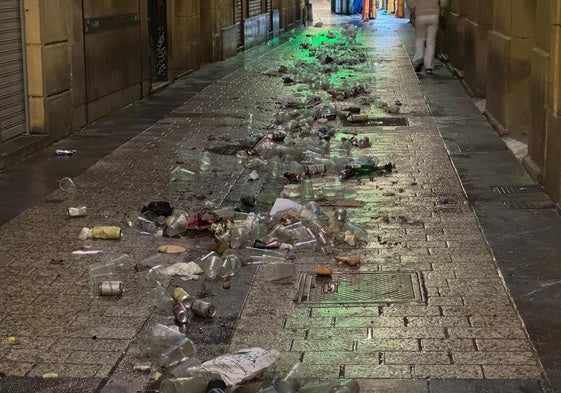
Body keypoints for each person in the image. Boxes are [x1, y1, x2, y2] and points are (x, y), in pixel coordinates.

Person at [405, 0, 447, 74]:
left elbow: (410, 2)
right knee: (431, 41)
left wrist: (414, 8)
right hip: (434, 15)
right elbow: (444, 1)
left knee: (420, 38)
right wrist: (442, 8)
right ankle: (429, 67)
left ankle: (418, 58)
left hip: (420, 14)